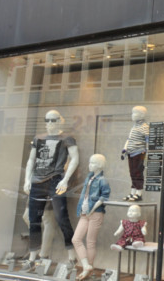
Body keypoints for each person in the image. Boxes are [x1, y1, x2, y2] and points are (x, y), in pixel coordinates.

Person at [22, 109, 79, 272]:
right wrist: (27, 180)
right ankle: (33, 259)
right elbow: (31, 160)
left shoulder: (66, 138)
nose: (50, 123)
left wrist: (65, 179)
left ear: (61, 120)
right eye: (47, 120)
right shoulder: (38, 138)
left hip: (55, 181)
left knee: (62, 219)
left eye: (54, 120)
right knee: (34, 220)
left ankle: (72, 257)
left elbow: (75, 158)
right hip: (37, 182)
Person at [72, 154, 111, 280]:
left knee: (90, 242)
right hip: (84, 213)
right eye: (90, 162)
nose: (90, 165)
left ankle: (87, 270)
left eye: (93, 163)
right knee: (76, 239)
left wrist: (92, 209)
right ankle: (86, 265)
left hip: (95, 213)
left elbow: (104, 197)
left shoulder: (102, 180)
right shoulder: (89, 177)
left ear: (99, 165)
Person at [121, 106, 149, 202]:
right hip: (131, 152)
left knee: (138, 173)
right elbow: (129, 139)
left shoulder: (145, 127)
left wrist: (147, 152)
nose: (132, 115)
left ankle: (139, 193)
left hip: (139, 152)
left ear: (141, 115)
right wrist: (124, 149)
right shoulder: (134, 127)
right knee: (132, 173)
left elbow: (148, 140)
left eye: (135, 113)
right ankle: (133, 192)